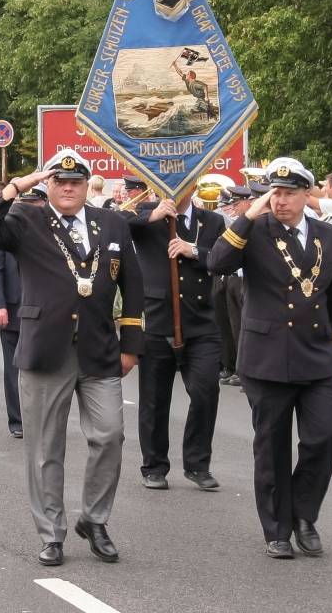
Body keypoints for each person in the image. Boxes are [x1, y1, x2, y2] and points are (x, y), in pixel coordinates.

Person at [0, 149, 144, 568]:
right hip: (46, 348)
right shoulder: (26, 218)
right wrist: (17, 186)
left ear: (87, 185)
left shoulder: (112, 222)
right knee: (46, 448)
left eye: (76, 181)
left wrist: (131, 344)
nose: (68, 188)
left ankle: (95, 520)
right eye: (59, 181)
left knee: (109, 436)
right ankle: (51, 534)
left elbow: (134, 285)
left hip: (99, 349)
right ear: (48, 185)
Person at [208, 156, 332, 560]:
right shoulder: (253, 231)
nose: (281, 200)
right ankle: (277, 528)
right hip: (267, 358)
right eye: (274, 193)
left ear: (308, 194)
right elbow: (217, 263)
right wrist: (247, 216)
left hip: (316, 355)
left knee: (324, 437)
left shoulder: (327, 234)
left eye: (289, 193)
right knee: (272, 447)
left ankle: (304, 514)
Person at [124, 180, 225, 493]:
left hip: (201, 322)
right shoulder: (144, 214)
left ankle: (197, 464)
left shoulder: (212, 220)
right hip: (157, 319)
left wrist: (193, 250)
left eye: (184, 184)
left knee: (206, 391)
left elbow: (225, 257)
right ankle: (154, 465)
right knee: (154, 399)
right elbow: (113, 223)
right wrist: (152, 215)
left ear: (193, 185)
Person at [0, 183, 48, 438]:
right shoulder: (7, 230)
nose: (32, 209)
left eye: (37, 204)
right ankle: (18, 420)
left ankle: (42, 419)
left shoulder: (54, 231)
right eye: (27, 205)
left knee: (45, 369)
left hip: (46, 313)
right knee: (14, 369)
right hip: (13, 309)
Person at [214, 184, 255, 387]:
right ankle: (235, 367)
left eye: (237, 203)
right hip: (231, 277)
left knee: (242, 327)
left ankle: (245, 371)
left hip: (243, 279)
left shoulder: (251, 223)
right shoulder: (238, 222)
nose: (234, 208)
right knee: (233, 325)